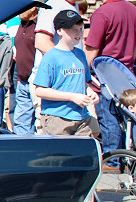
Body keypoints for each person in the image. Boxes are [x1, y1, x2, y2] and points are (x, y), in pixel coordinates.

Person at [84, 0, 136, 152]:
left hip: (105, 75)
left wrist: (84, 72)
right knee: (126, 118)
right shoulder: (134, 10)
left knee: (109, 117)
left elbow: (92, 49)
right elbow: (134, 46)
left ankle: (113, 158)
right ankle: (127, 156)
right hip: (127, 73)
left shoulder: (102, 13)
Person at [31, 9, 98, 137]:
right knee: (59, 155)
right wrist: (72, 97)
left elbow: (83, 83)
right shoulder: (51, 57)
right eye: (73, 29)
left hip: (81, 116)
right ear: (60, 31)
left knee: (89, 145)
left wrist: (90, 92)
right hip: (58, 117)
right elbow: (40, 90)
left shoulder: (80, 54)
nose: (78, 33)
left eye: (80, 28)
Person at [35, 0, 100, 60]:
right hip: (52, 75)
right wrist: (67, 63)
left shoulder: (73, 6)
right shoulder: (53, 6)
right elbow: (41, 42)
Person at [10, 0, 44, 135]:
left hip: (37, 81)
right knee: (21, 122)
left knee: (39, 123)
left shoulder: (40, 25)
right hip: (22, 80)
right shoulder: (21, 24)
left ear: (33, 7)